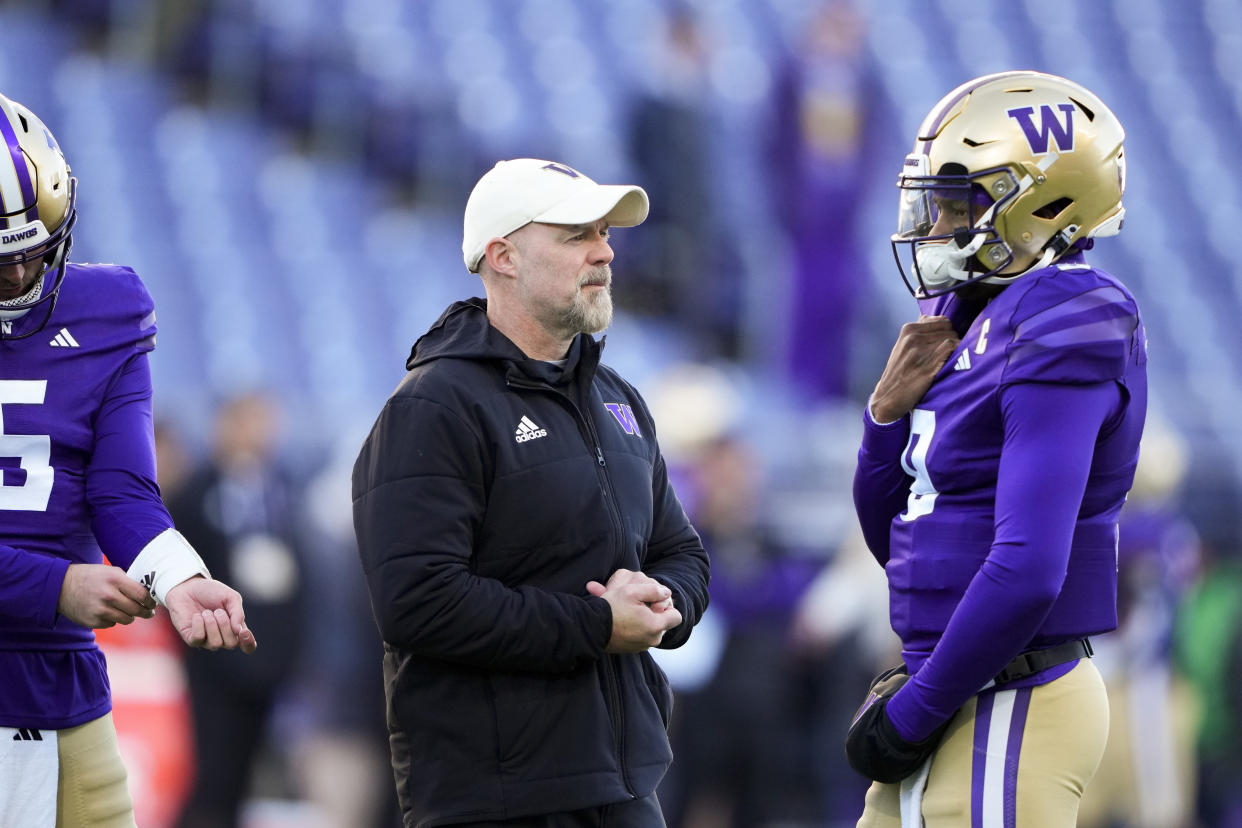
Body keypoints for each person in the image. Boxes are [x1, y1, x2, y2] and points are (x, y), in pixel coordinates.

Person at [352, 157, 711, 827]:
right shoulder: (432, 407)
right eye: (577, 235)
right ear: (503, 256)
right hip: (494, 799)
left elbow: (681, 552)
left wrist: (664, 608)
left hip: (628, 783)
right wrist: (599, 626)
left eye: (605, 234)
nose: (604, 252)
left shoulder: (619, 399)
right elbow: (418, 603)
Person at [846, 71, 1147, 827]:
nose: (939, 223)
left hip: (1016, 699)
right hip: (956, 682)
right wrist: (883, 418)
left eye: (960, 203)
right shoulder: (969, 314)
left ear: (1046, 206)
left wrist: (915, 712)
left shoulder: (1067, 314)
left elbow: (1028, 570)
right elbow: (901, 538)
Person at [0, 91, 257, 828]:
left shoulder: (105, 314)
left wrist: (178, 578)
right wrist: (57, 587)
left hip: (62, 687)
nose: (19, 279)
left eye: (31, 252)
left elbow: (121, 490)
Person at [168, 391, 306, 828]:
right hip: (211, 662)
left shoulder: (283, 487)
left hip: (269, 658)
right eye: (247, 421)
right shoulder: (195, 492)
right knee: (213, 775)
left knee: (253, 774)